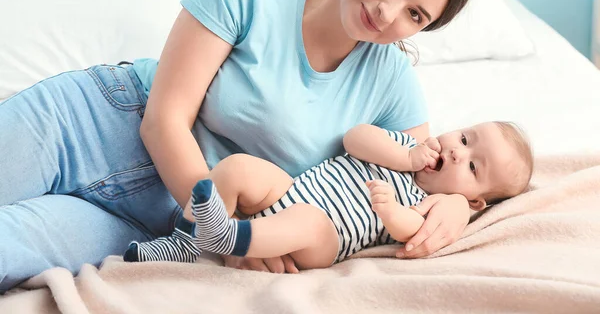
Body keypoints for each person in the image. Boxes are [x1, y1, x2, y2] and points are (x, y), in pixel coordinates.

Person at [0, 0, 476, 292]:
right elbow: (163, 120)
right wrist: (224, 234)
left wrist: (455, 205)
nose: (388, 13)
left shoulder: (393, 83)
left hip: (165, 221)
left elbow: (418, 174)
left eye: (415, 14)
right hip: (93, 124)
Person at [125, 122, 534, 268]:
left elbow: (412, 230)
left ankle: (230, 237)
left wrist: (391, 211)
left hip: (324, 239)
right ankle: (182, 243)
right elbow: (355, 138)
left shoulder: (433, 205)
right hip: (290, 191)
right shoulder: (403, 149)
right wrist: (405, 156)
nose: (458, 151)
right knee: (238, 168)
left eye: (473, 167)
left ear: (475, 201)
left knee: (308, 221)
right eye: (464, 137)